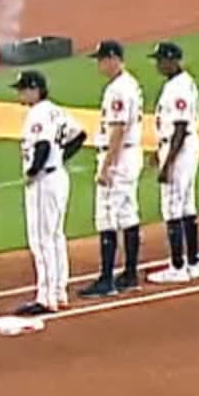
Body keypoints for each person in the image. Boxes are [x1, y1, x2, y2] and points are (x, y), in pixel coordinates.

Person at [12, 70, 84, 317]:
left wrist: (34, 170)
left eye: (22, 89)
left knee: (41, 239)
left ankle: (46, 297)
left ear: (34, 89)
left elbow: (42, 144)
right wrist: (60, 157)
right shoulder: (56, 110)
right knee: (55, 236)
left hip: (44, 181)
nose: (20, 94)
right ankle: (59, 291)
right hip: (57, 176)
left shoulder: (38, 114)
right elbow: (79, 134)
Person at [82, 40, 144, 296]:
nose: (100, 65)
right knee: (128, 213)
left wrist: (107, 166)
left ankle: (107, 279)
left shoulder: (118, 90)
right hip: (130, 154)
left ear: (113, 58)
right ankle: (129, 273)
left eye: (101, 60)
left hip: (119, 157)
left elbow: (118, 130)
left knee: (107, 216)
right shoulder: (130, 84)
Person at [145, 42, 199, 281]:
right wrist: (159, 149)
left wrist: (167, 162)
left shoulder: (178, 87)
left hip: (180, 149)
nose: (159, 65)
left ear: (172, 60)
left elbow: (180, 127)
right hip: (180, 146)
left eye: (161, 60)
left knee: (172, 207)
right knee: (187, 206)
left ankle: (178, 266)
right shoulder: (180, 83)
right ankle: (193, 263)